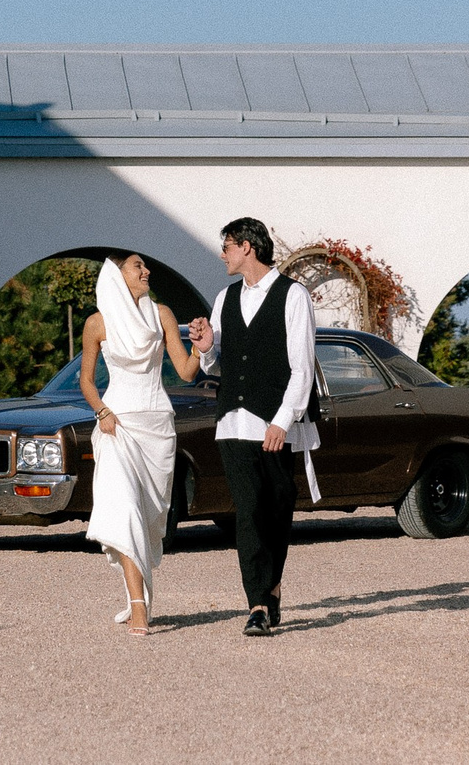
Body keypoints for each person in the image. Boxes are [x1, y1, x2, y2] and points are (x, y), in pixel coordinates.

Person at [185, 216, 318, 637]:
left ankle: (272, 586)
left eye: (226, 246)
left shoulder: (294, 296)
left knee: (277, 509)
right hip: (233, 421)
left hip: (276, 424)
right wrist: (206, 348)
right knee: (248, 511)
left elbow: (302, 369)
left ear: (247, 247)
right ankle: (258, 604)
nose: (222, 254)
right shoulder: (224, 298)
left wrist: (282, 421)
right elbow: (217, 359)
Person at [79, 253, 201, 635]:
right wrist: (102, 413)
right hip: (117, 426)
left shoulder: (161, 314)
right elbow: (86, 381)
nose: (146, 271)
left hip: (157, 427)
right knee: (124, 508)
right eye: (137, 267)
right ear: (117, 277)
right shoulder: (97, 323)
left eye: (144, 266)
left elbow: (184, 371)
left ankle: (142, 594)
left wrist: (201, 346)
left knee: (149, 520)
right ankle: (137, 609)